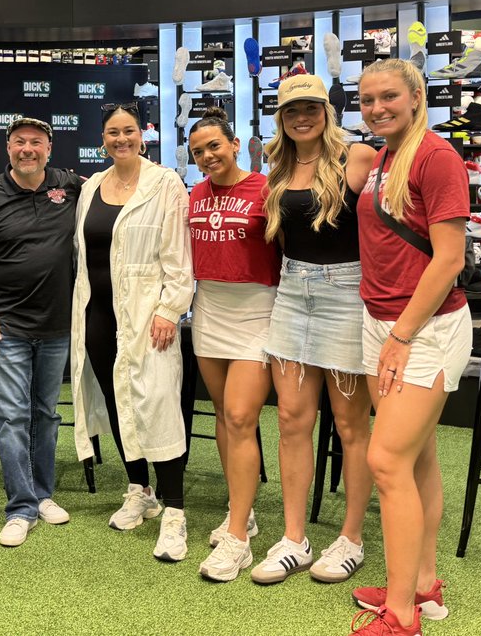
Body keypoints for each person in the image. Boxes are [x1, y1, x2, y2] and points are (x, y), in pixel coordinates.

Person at [349, 59, 470, 636]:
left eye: (388, 96)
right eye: (367, 99)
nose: (376, 107)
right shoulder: (386, 157)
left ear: (417, 95)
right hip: (385, 323)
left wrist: (399, 336)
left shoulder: (436, 157)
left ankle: (401, 615)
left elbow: (450, 258)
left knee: (386, 460)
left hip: (423, 329)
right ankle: (423, 585)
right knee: (417, 457)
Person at [252, 74, 376, 587]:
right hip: (291, 291)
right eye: (291, 110)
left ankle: (351, 539)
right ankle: (294, 538)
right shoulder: (278, 166)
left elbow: (389, 224)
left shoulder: (359, 157)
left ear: (326, 109)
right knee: (290, 422)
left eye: (311, 108)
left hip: (346, 294)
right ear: (281, 118)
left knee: (351, 427)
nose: (301, 117)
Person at [69, 101, 193, 561]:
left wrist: (169, 310)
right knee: (119, 402)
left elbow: (180, 259)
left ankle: (175, 510)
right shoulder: (93, 187)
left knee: (158, 403)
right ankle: (140, 490)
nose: (120, 139)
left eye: (128, 130)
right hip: (97, 315)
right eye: (111, 132)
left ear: (142, 133)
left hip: (148, 317)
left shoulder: (166, 184)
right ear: (102, 138)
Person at [0, 117, 80, 546]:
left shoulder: (71, 186)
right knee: (12, 417)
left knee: (46, 415)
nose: (27, 149)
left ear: (49, 148)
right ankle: (20, 507)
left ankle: (43, 493)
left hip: (58, 324)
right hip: (7, 325)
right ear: (7, 148)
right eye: (19, 142)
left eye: (36, 142)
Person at [186, 107, 281, 583]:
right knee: (225, 415)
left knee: (243, 416)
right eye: (198, 151)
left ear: (235, 144)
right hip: (209, 310)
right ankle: (238, 507)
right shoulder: (193, 194)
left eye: (214, 146)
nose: (207, 156)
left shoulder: (265, 189)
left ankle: (239, 539)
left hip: (258, 311)